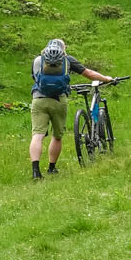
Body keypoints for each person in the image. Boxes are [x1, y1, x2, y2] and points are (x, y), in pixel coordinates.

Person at [28, 38, 115, 180]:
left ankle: (36, 171)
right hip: (59, 101)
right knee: (57, 136)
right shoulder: (67, 60)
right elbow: (89, 73)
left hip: (38, 100)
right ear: (63, 48)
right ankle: (51, 168)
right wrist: (106, 78)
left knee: (37, 136)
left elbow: (35, 78)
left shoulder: (38, 60)